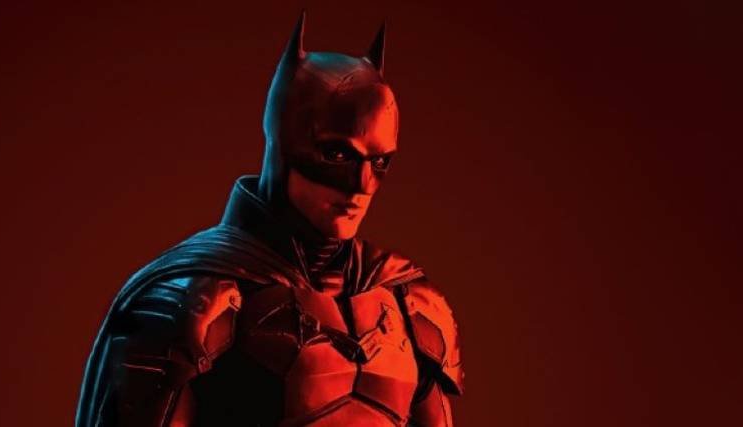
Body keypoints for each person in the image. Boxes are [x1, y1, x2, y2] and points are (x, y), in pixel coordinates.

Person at [76, 12, 463, 427]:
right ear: (286, 145)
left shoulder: (408, 301)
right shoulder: (195, 299)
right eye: (337, 156)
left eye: (380, 162)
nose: (361, 185)